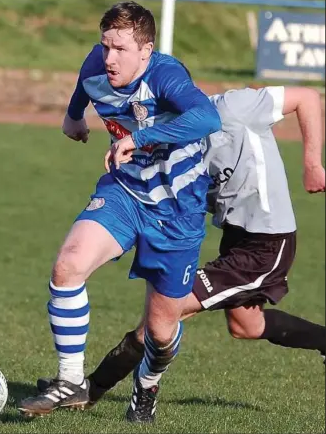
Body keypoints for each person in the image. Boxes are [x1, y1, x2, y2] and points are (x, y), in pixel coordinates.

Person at [37, 85, 326, 414]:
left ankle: (92, 389)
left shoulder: (234, 108)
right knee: (246, 326)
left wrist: (312, 164)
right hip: (234, 237)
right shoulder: (174, 141)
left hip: (267, 244)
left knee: (164, 315)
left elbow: (307, 97)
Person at [18, 1, 221, 422]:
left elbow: (208, 117)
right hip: (125, 193)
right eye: (106, 45)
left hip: (177, 210)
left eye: (121, 49)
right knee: (67, 267)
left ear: (145, 50)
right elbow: (86, 78)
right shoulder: (98, 63)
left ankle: (146, 387)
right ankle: (71, 380)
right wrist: (73, 116)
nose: (109, 58)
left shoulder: (165, 75)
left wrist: (143, 135)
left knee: (160, 334)